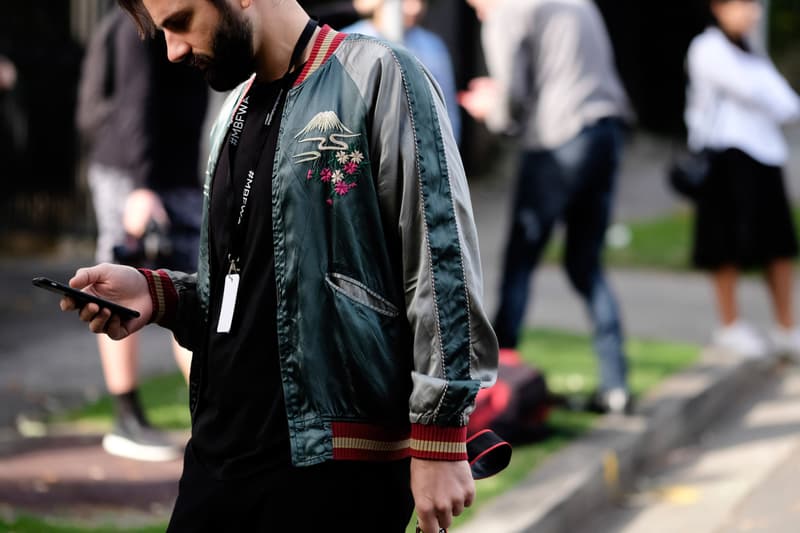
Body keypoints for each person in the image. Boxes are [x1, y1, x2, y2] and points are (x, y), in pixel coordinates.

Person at [61, 0, 497, 531]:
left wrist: (440, 437)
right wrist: (159, 295)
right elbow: (258, 292)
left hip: (331, 470)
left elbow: (440, 261)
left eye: (179, 22)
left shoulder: (379, 75)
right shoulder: (232, 112)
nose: (172, 50)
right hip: (215, 464)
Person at [460, 0, 634, 414]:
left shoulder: (506, 13)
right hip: (606, 132)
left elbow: (512, 100)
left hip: (558, 139)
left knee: (520, 260)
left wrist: (491, 109)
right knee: (585, 264)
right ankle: (616, 385)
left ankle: (496, 383)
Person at [75, 8, 209, 462]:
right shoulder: (135, 22)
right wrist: (140, 186)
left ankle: (212, 418)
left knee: (193, 293)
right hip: (141, 177)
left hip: (168, 173)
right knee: (117, 283)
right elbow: (134, 98)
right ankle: (127, 417)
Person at [685, 0, 800, 358]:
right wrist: (770, 97)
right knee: (724, 245)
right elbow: (755, 93)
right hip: (725, 158)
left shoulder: (753, 52)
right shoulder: (707, 48)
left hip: (763, 155)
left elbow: (786, 103)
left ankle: (786, 328)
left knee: (778, 245)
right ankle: (730, 324)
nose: (751, 11)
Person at [343, 0, 462, 143]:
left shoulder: (432, 46)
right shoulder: (349, 43)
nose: (415, 9)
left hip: (420, 152)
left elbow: (447, 111)